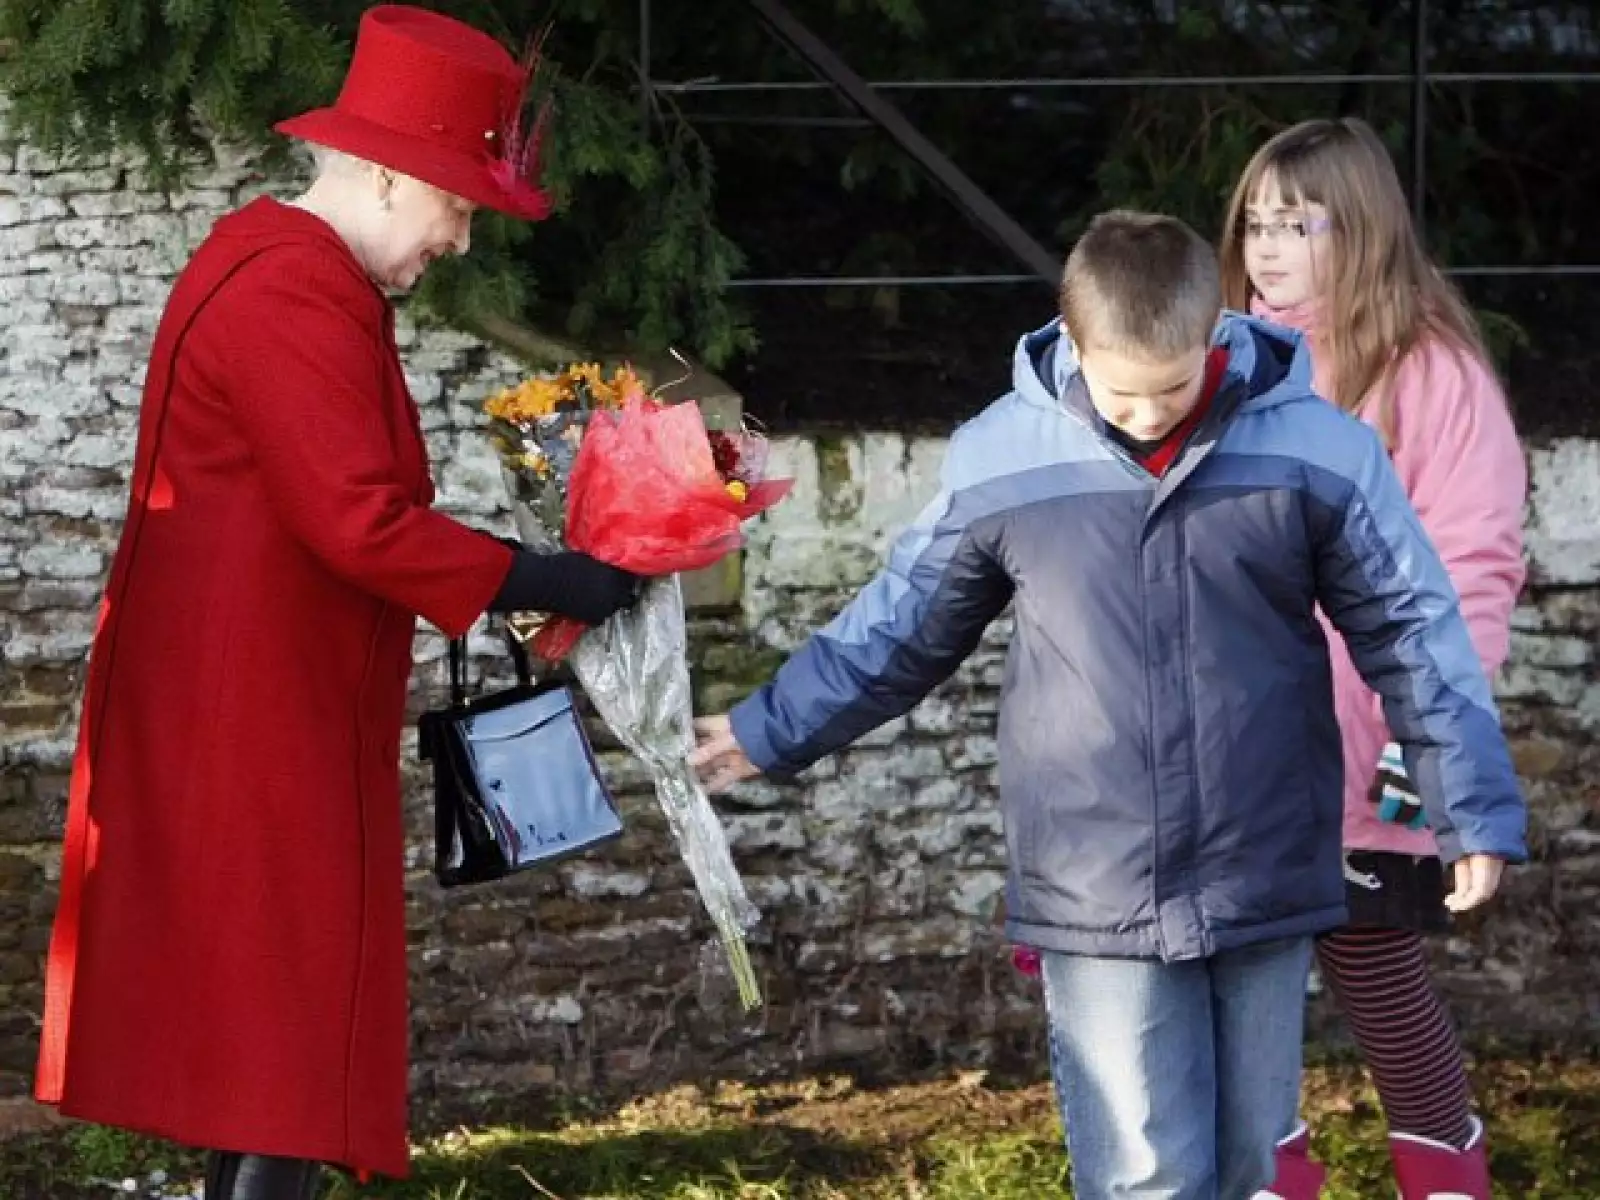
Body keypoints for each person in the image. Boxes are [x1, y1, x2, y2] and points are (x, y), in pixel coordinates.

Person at [691, 209, 1527, 1200]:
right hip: (1094, 881)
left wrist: (1467, 805)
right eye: (1119, 390)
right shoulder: (1002, 457)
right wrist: (762, 728)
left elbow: (1412, 629)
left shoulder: (1319, 450)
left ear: (1214, 334)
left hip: (1265, 863)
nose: (1145, 414)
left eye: (1171, 387)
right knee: (1140, 1172)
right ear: (1070, 343)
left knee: (1254, 1164)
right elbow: (898, 630)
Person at [33, 7, 641, 1197]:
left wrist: (513, 576)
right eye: (456, 203)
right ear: (380, 170)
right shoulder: (289, 291)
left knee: (272, 1029)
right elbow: (355, 518)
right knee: (292, 1027)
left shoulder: (285, 269)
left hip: (253, 698)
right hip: (256, 715)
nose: (460, 240)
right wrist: (537, 578)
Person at [1219, 117, 1528, 1200]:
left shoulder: (1429, 373)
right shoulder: (1222, 362)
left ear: (1360, 230)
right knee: (1243, 997)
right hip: (1242, 748)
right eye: (1255, 222)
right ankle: (1267, 1180)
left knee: (1377, 976)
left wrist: (1424, 751)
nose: (1266, 249)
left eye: (1296, 225)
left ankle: (1447, 1182)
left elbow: (1472, 571)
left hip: (1365, 747)